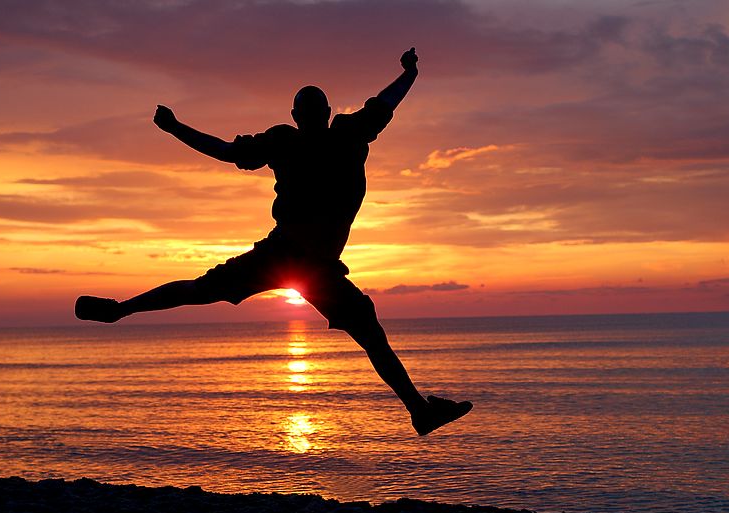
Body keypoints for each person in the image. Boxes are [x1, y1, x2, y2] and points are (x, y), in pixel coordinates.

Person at [76, 48, 472, 435]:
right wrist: (410, 73)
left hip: (285, 258)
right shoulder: (347, 135)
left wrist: (176, 128)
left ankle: (121, 310)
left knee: (203, 289)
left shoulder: (293, 140)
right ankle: (418, 410)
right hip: (310, 265)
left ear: (298, 116)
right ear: (326, 113)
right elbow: (386, 102)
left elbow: (226, 151)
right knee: (369, 334)